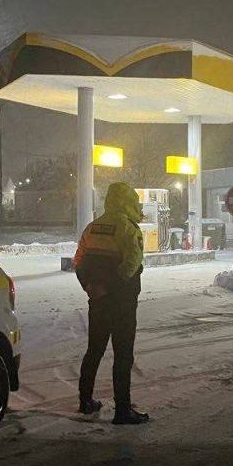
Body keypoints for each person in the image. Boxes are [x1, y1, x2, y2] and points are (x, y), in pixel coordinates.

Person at [72, 182, 150, 425]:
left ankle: (85, 402)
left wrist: (91, 287)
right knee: (123, 355)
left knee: (94, 350)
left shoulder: (92, 228)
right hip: (122, 302)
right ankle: (123, 410)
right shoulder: (128, 229)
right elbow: (131, 265)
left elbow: (79, 261)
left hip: (97, 300)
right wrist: (111, 287)